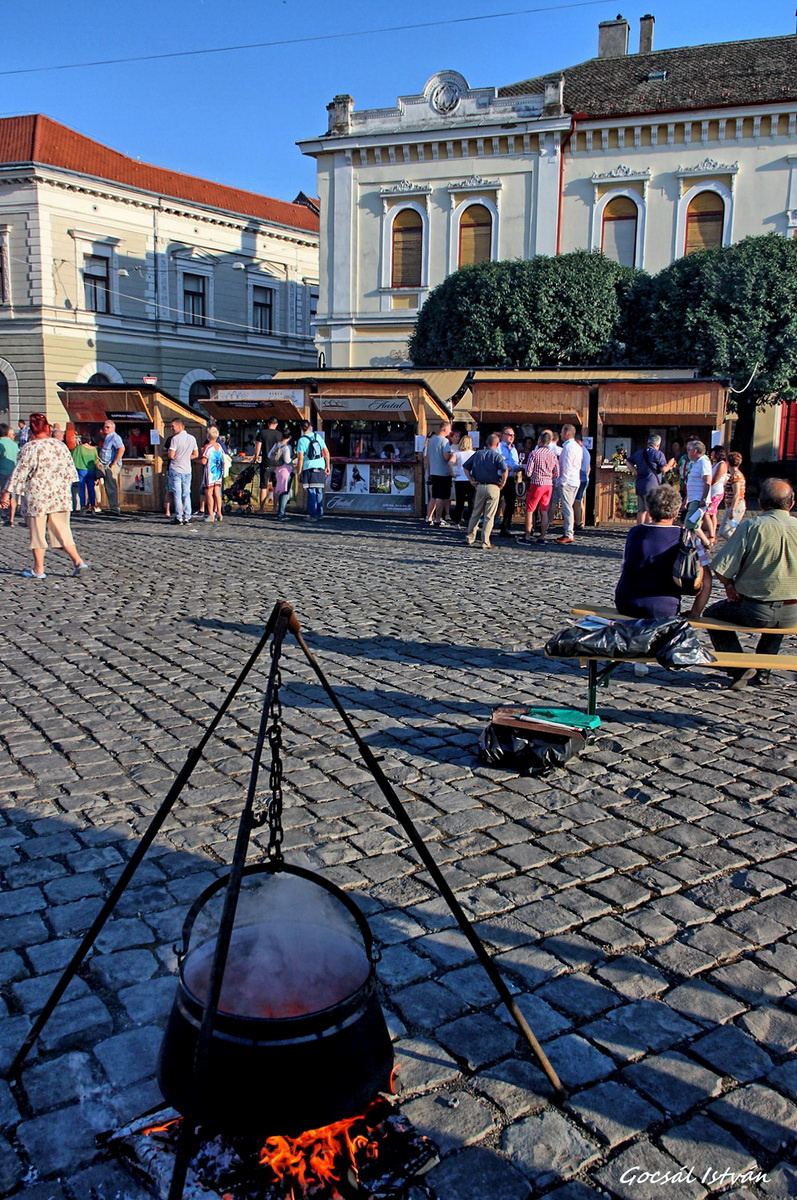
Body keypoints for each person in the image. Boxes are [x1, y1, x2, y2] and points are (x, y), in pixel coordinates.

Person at [703, 478, 797, 689]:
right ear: (791, 504)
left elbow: (721, 567)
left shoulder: (752, 526)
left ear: (761, 504)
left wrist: (730, 586)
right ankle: (763, 673)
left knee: (712, 615)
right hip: (794, 611)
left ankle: (739, 668)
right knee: (780, 611)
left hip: (755, 610)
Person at [0, 412, 88, 578]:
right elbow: (71, 472)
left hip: (37, 496)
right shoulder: (59, 445)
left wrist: (6, 493)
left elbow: (19, 473)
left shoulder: (30, 448)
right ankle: (78, 561)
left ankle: (39, 569)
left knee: (37, 532)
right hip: (59, 495)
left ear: (32, 431)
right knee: (63, 530)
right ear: (48, 427)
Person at [615, 484, 711, 619]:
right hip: (664, 607)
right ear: (677, 512)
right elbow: (707, 582)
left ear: (649, 510)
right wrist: (695, 613)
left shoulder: (635, 533)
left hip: (627, 604)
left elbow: (625, 568)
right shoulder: (687, 537)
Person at [464, 433, 508, 550]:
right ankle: (485, 541)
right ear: (497, 444)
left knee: (476, 513)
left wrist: (471, 480)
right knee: (489, 516)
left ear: (486, 443)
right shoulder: (497, 456)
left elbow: (465, 467)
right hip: (493, 486)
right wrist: (502, 483)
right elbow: (505, 470)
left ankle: (470, 538)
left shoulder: (478, 454)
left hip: (479, 485)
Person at [520, 431, 559, 544]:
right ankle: (542, 537)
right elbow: (557, 473)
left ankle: (527, 536)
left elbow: (528, 472)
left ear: (540, 441)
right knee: (544, 511)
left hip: (536, 483)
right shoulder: (553, 454)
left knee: (530, 510)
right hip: (548, 485)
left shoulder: (534, 453)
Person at [629, 434, 668, 525]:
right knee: (650, 510)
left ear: (648, 443)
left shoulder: (639, 453)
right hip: (652, 485)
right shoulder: (658, 454)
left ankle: (639, 529)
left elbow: (628, 461)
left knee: (641, 510)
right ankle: (648, 529)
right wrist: (670, 464)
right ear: (658, 445)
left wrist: (635, 471)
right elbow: (663, 469)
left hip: (640, 484)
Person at [554, 424, 583, 544]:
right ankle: (568, 531)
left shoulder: (568, 447)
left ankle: (568, 533)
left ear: (566, 434)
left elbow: (566, 465)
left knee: (566, 508)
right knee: (568, 507)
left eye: (561, 432)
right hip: (575, 480)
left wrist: (562, 481)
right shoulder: (577, 447)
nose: (560, 435)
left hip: (568, 481)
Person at [295, 421, 330, 519]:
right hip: (320, 466)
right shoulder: (318, 437)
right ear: (310, 426)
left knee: (311, 492)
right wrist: (327, 466)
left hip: (309, 466)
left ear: (301, 428)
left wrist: (299, 472)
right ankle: (320, 513)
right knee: (319, 491)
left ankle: (313, 514)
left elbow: (301, 458)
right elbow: (326, 452)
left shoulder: (301, 440)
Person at [168, 418, 198, 525]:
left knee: (177, 493)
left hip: (176, 468)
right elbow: (196, 454)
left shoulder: (175, 439)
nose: (172, 428)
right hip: (187, 469)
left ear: (180, 426)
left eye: (173, 426)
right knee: (186, 493)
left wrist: (176, 456)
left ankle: (179, 516)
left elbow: (171, 455)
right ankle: (188, 516)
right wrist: (186, 457)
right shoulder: (192, 438)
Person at [424, 421, 455, 526]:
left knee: (433, 496)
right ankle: (438, 518)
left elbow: (427, 456)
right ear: (445, 429)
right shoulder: (445, 441)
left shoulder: (432, 440)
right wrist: (451, 455)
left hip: (434, 471)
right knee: (441, 497)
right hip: (443, 472)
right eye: (449, 429)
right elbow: (445, 457)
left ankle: (428, 517)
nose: (450, 431)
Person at [683, 439, 712, 535]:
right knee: (692, 525)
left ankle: (705, 543)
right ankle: (696, 546)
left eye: (688, 450)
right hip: (694, 498)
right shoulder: (697, 462)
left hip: (698, 499)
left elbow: (707, 481)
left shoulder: (703, 462)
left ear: (695, 451)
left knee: (690, 524)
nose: (687, 452)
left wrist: (703, 499)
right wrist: (686, 499)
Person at [98, 420, 125, 515]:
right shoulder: (107, 437)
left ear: (113, 428)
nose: (105, 429)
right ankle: (106, 505)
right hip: (104, 464)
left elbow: (121, 448)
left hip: (111, 464)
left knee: (111, 486)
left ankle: (114, 508)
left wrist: (115, 462)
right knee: (106, 486)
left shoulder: (114, 437)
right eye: (104, 427)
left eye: (108, 427)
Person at [254, 418, 281, 514]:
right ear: (276, 424)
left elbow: (258, 446)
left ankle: (261, 509)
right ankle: (274, 509)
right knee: (276, 487)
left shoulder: (262, 433)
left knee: (263, 486)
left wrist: (256, 457)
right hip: (277, 464)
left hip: (265, 463)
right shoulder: (279, 435)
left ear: (268, 423)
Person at [497, 426, 520, 537]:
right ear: (503, 436)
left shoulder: (514, 449)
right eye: (509, 435)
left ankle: (505, 526)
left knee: (510, 503)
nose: (512, 437)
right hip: (499, 478)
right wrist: (506, 467)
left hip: (510, 478)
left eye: (513, 435)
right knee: (495, 502)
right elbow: (496, 462)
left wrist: (518, 467)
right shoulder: (499, 447)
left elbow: (515, 464)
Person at [704, 445, 729, 544]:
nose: (711, 454)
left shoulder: (722, 464)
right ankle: (713, 532)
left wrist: (707, 484)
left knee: (707, 513)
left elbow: (715, 479)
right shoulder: (715, 463)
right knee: (712, 514)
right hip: (712, 492)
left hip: (716, 492)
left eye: (713, 453)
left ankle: (712, 534)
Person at [450, 434, 476, 528]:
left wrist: (453, 473)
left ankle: (457, 522)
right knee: (471, 502)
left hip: (460, 479)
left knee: (459, 502)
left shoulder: (457, 453)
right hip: (470, 479)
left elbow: (450, 463)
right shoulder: (474, 453)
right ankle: (472, 522)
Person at [200, 425, 225, 522]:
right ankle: (219, 512)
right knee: (217, 493)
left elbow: (204, 461)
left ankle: (211, 514)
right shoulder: (219, 446)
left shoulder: (208, 447)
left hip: (210, 472)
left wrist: (195, 460)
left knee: (209, 493)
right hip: (218, 472)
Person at [719, 451, 746, 539]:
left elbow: (737, 493)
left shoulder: (735, 476)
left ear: (727, 462)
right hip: (732, 506)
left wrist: (732, 509)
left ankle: (738, 546)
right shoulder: (733, 475)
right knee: (730, 528)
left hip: (736, 507)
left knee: (725, 531)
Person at [269, 431, 294, 520]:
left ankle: (279, 511)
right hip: (286, 471)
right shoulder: (287, 447)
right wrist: (293, 459)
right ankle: (281, 513)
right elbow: (287, 460)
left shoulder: (276, 445)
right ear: (290, 437)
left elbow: (269, 456)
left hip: (277, 470)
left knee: (279, 490)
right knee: (285, 492)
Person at [71, 434, 99, 513]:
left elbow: (72, 456)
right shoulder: (94, 449)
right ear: (90, 441)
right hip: (91, 470)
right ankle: (93, 506)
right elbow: (96, 460)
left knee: (81, 489)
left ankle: (83, 506)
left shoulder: (79, 448)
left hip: (81, 470)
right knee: (91, 489)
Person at [574, 437, 591, 531]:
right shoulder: (586, 451)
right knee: (580, 501)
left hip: (580, 477)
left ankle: (578, 522)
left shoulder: (580, 451)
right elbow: (589, 467)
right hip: (585, 477)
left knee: (577, 501)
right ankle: (581, 521)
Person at [0, 422, 19, 503]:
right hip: (12, 471)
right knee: (11, 495)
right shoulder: (14, 444)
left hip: (1, 471)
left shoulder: (1, 443)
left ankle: (2, 512)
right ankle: (11, 515)